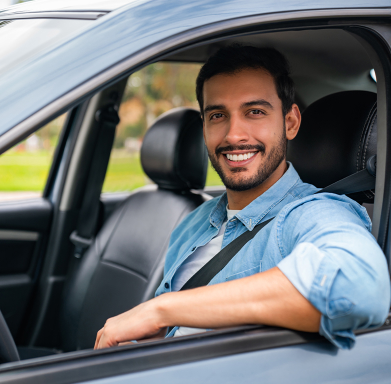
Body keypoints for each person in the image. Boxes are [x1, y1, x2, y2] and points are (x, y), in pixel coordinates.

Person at [94, 44, 390, 350]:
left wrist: (161, 310)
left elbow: (361, 288)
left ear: (290, 122)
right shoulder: (194, 223)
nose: (234, 135)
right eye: (218, 115)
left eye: (255, 112)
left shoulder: (313, 213)